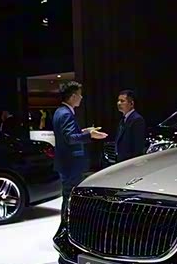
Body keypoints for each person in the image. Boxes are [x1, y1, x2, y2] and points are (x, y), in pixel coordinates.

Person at [53, 81, 107, 216]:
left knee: (68, 195)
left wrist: (83, 131)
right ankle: (67, 224)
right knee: (71, 196)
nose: (81, 97)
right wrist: (90, 135)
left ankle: (65, 223)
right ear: (73, 96)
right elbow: (70, 138)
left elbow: (66, 135)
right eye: (79, 95)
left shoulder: (59, 112)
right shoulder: (66, 114)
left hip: (64, 162)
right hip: (71, 163)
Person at [114, 89, 146, 162]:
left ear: (131, 104)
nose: (119, 103)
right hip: (121, 160)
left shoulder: (137, 120)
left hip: (130, 162)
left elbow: (138, 147)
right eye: (118, 100)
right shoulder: (123, 119)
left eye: (122, 101)